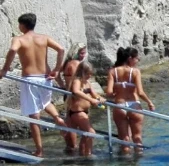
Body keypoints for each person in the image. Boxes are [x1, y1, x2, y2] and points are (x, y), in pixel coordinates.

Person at [0, 13, 66, 157]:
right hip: (45, 78)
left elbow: (12, 50)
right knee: (46, 102)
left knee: (33, 116)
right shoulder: (44, 38)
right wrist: (56, 69)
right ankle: (58, 118)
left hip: (30, 79)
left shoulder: (19, 39)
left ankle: (39, 150)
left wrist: (5, 69)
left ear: (22, 25)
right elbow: (61, 49)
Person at [106, 47, 155, 153]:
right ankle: (138, 159)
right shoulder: (135, 72)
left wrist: (117, 92)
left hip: (120, 105)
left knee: (124, 139)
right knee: (137, 137)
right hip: (134, 105)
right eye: (137, 58)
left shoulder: (112, 71)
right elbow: (140, 92)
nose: (138, 61)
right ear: (130, 58)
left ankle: (126, 161)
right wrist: (149, 102)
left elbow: (109, 93)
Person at [67, 62, 105, 156]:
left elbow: (94, 93)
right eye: (88, 73)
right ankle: (88, 154)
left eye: (91, 74)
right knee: (91, 132)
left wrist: (99, 98)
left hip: (85, 112)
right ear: (82, 72)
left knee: (85, 134)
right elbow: (76, 91)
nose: (89, 76)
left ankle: (83, 153)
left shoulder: (87, 82)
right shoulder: (77, 81)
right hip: (77, 112)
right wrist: (91, 100)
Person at [56, 42, 87, 151]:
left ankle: (70, 147)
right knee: (79, 125)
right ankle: (77, 148)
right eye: (82, 53)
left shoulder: (66, 63)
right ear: (76, 52)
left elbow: (56, 75)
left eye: (84, 53)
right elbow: (78, 81)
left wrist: (63, 86)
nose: (83, 55)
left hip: (67, 94)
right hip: (75, 96)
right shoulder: (76, 64)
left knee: (70, 122)